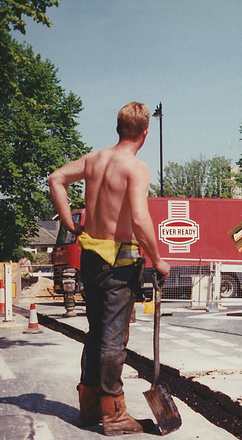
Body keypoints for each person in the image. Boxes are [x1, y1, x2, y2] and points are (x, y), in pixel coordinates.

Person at [48, 102, 170, 436]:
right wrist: (158, 259)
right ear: (145, 133)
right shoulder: (135, 167)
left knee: (98, 333)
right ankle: (114, 414)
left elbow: (56, 179)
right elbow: (140, 219)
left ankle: (88, 410)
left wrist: (68, 223)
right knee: (114, 339)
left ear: (119, 128)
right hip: (118, 261)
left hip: (90, 257)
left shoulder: (94, 160)